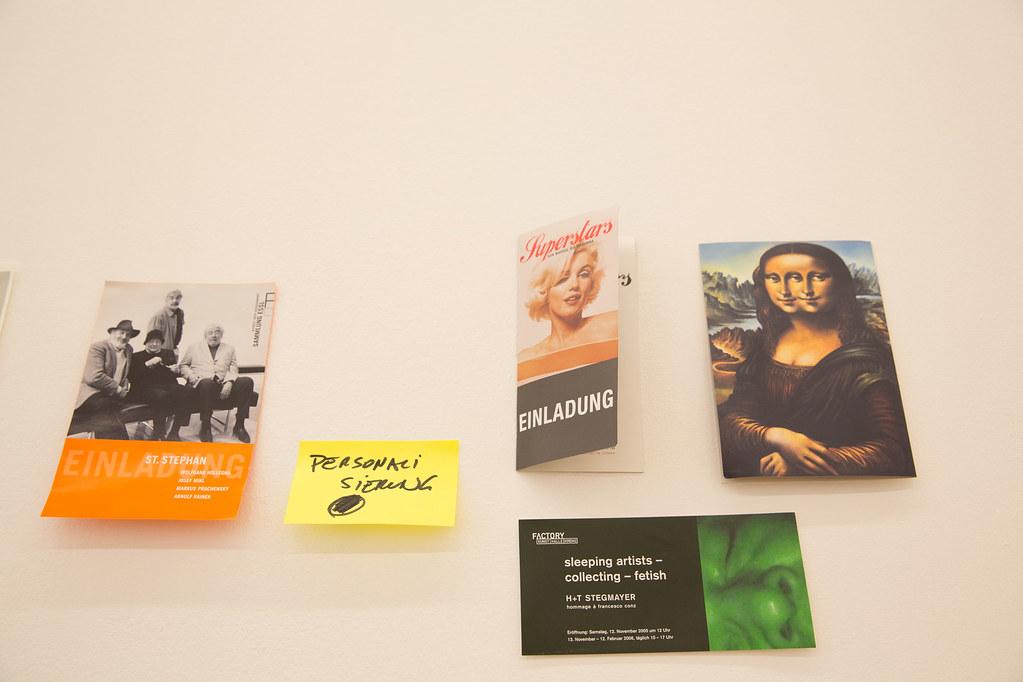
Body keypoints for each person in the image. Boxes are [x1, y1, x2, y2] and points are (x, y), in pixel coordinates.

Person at [718, 242, 914, 477]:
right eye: (775, 278)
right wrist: (776, 437)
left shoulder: (864, 358)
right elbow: (731, 419)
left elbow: (890, 450)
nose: (791, 290)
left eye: (816, 277)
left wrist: (802, 463)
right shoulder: (766, 347)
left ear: (839, 283)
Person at [517, 241, 617, 363]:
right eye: (563, 278)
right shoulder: (527, 358)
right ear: (544, 289)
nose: (575, 284)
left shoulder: (613, 326)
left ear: (592, 283)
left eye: (584, 274)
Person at [178, 324, 254, 443]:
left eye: (217, 332)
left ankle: (240, 425)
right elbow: (183, 365)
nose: (214, 335)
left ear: (221, 335)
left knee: (247, 381)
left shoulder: (229, 348)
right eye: (211, 332)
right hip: (201, 384)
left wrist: (229, 382)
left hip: (222, 384)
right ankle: (206, 426)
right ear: (205, 335)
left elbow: (233, 368)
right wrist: (192, 377)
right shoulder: (194, 347)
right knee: (207, 383)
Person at [71, 319, 139, 439]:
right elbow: (94, 377)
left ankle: (110, 445)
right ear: (112, 333)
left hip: (110, 395)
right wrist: (118, 389)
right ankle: (122, 444)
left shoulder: (128, 349)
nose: (124, 337)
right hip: (91, 394)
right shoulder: (98, 347)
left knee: (112, 411)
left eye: (128, 335)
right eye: (121, 332)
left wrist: (125, 384)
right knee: (107, 408)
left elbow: (124, 373)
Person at [128, 329, 192, 441]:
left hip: (166, 386)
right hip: (144, 388)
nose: (154, 344)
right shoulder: (136, 356)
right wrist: (148, 364)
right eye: (151, 341)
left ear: (161, 344)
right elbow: (132, 377)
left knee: (187, 391)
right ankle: (159, 432)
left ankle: (174, 432)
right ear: (145, 343)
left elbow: (172, 375)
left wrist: (175, 370)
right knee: (162, 395)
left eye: (157, 342)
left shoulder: (168, 354)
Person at [147, 289, 185, 358]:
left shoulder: (180, 313)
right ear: (166, 299)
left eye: (177, 298)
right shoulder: (159, 316)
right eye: (171, 298)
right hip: (159, 355)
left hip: (172, 352)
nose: (174, 301)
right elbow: (151, 342)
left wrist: (174, 349)